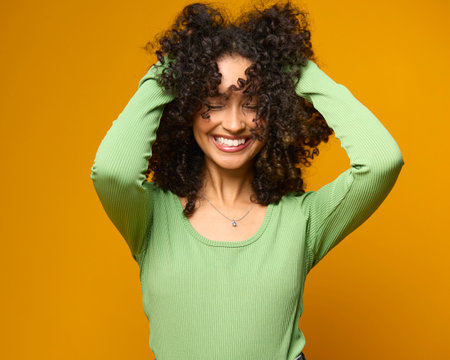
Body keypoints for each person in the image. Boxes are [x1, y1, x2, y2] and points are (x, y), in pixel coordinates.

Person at [89, 1, 404, 359]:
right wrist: (168, 72)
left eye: (252, 102)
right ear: (187, 105)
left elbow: (382, 161)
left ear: (274, 110)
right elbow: (112, 171)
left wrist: (298, 71)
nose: (235, 123)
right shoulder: (150, 215)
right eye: (214, 101)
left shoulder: (301, 219)